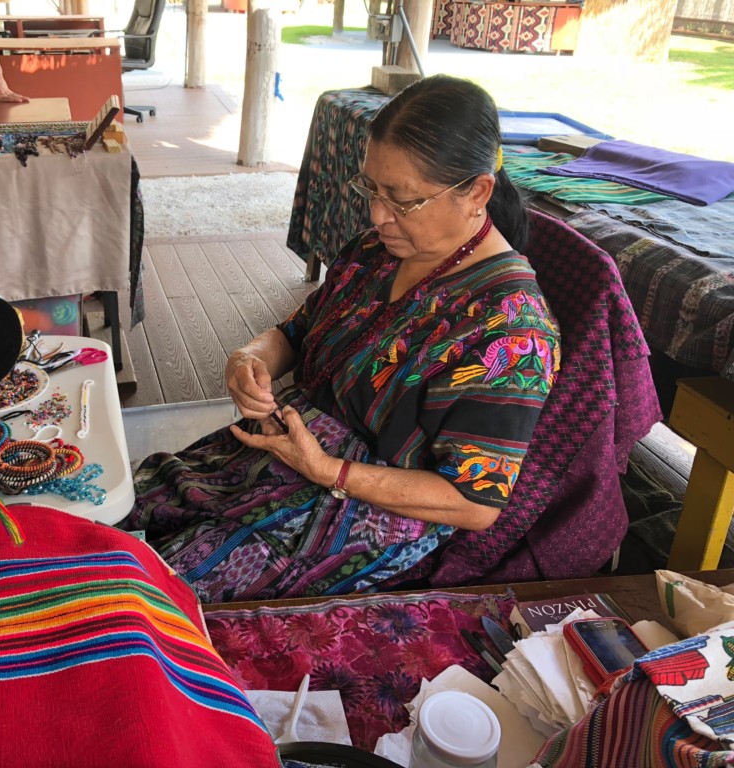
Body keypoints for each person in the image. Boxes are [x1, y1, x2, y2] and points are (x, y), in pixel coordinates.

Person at [123, 75, 562, 603]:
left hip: (362, 512)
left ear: (478, 193)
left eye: (403, 200)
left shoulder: (512, 328)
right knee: (112, 511)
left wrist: (328, 470)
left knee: (142, 594)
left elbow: (473, 503)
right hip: (276, 456)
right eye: (371, 190)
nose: (378, 215)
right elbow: (297, 331)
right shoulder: (375, 251)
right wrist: (251, 356)